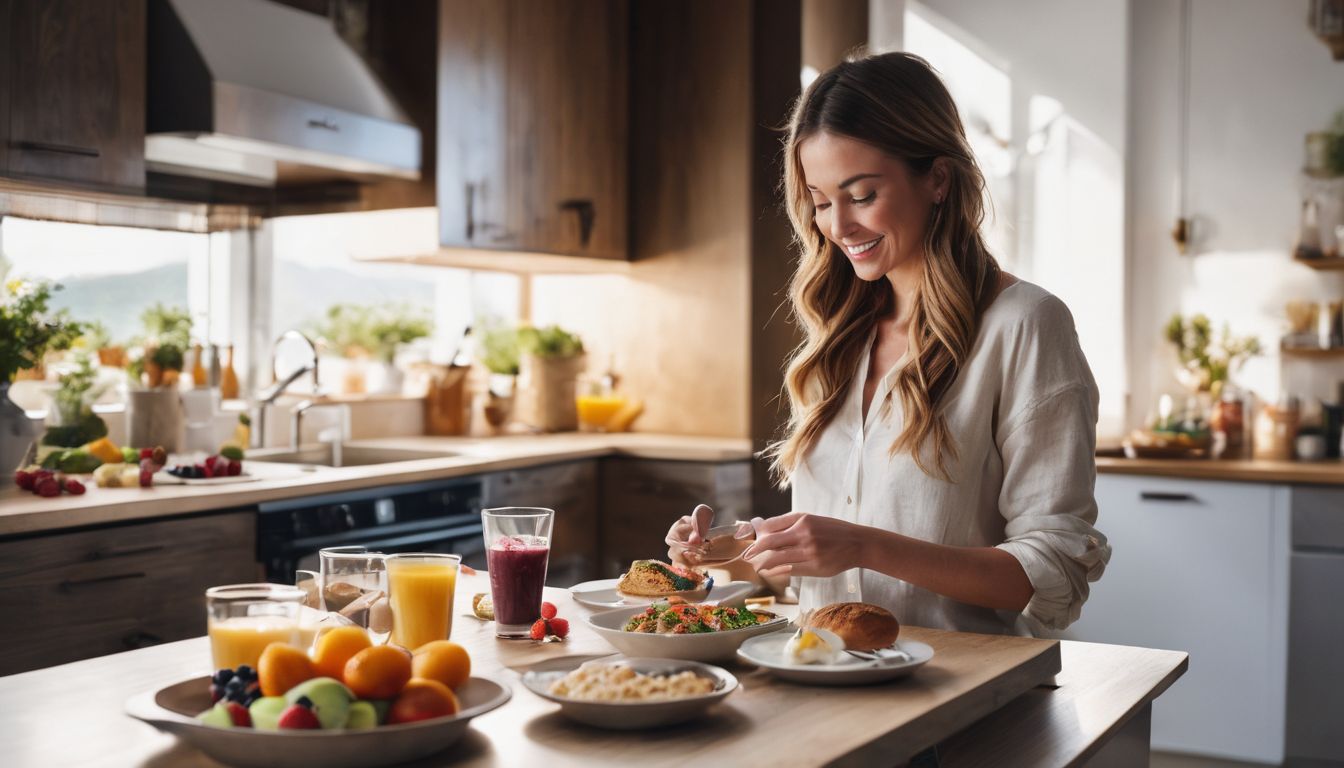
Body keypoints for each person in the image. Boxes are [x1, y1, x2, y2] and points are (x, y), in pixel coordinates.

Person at [666, 52, 1109, 636]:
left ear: (938, 179)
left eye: (862, 194)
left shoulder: (1025, 324)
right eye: (821, 202)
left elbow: (1052, 569)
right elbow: (833, 568)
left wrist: (860, 545)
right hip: (820, 677)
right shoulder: (837, 336)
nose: (838, 226)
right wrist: (739, 550)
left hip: (959, 691)